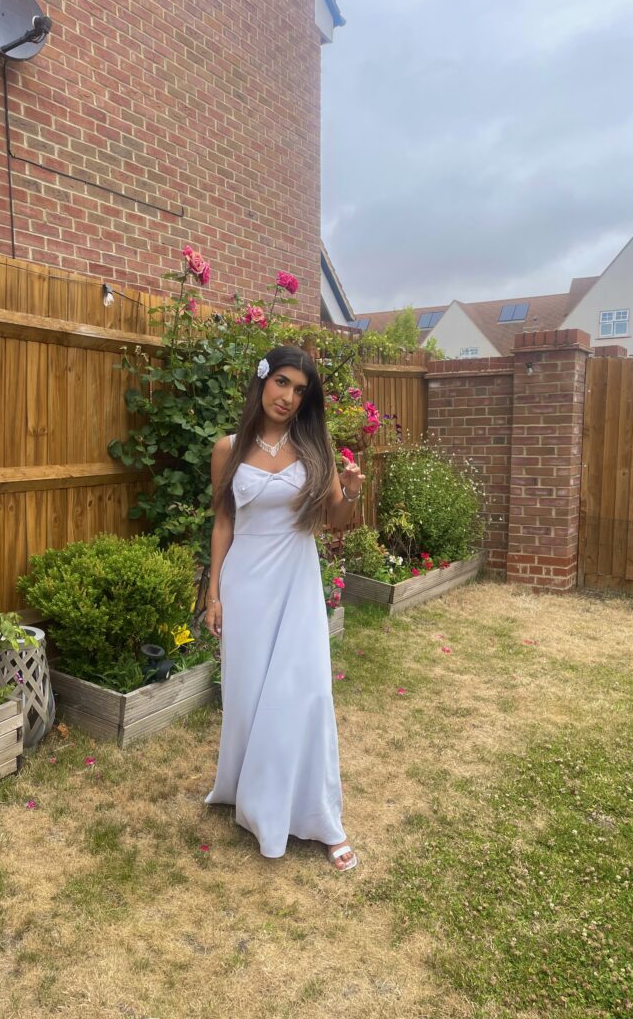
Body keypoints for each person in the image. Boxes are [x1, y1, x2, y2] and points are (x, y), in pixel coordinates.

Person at [204, 344, 365, 872]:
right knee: (248, 697)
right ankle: (250, 797)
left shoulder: (315, 447)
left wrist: (352, 493)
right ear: (262, 382)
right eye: (282, 384)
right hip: (246, 585)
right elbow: (224, 522)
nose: (289, 397)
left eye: (300, 391)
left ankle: (322, 818)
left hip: (296, 582)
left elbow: (336, 522)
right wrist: (215, 593)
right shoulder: (227, 448)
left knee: (309, 693)